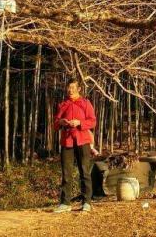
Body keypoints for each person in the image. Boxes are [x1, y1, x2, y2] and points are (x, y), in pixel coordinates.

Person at [53, 79, 97, 213]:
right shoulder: (63, 104)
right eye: (68, 88)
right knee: (66, 173)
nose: (70, 90)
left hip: (82, 140)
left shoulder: (85, 103)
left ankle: (87, 202)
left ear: (79, 89)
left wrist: (79, 122)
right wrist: (61, 122)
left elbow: (92, 122)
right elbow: (55, 123)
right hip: (67, 141)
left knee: (84, 172)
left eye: (73, 88)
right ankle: (65, 203)